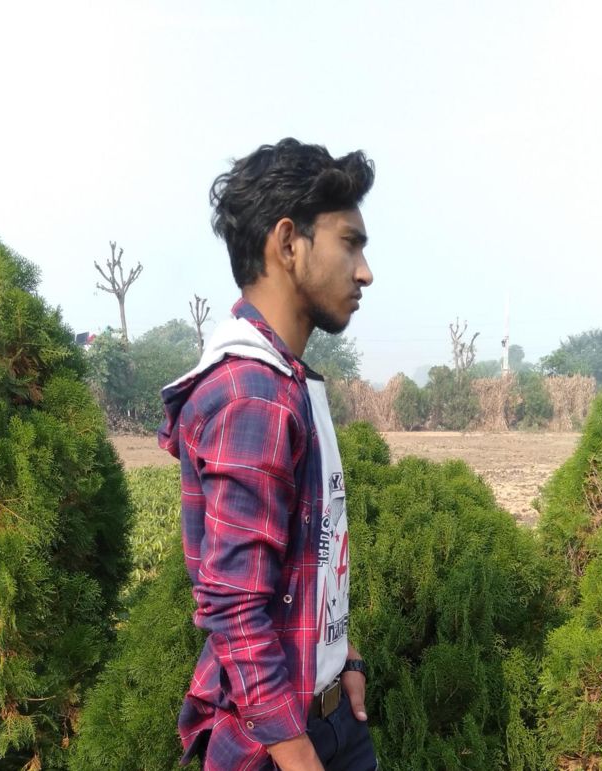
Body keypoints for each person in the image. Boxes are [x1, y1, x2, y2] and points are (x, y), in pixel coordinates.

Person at [159, 138, 377, 771]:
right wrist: (298, 752)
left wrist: (343, 656)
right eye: (350, 243)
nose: (364, 271)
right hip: (281, 747)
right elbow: (233, 603)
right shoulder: (253, 394)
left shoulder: (285, 379)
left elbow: (310, 556)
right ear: (288, 243)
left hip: (328, 718)